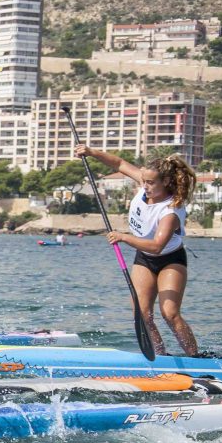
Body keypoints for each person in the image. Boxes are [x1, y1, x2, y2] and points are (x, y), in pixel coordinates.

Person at [75, 144, 198, 356]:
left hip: (170, 259)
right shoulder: (144, 184)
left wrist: (124, 237)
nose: (145, 186)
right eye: (144, 181)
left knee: (169, 312)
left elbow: (158, 246)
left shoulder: (170, 210)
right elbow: (120, 163)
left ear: (166, 182)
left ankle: (195, 357)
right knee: (142, 312)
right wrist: (91, 152)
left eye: (150, 183)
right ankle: (159, 356)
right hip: (144, 257)